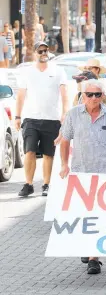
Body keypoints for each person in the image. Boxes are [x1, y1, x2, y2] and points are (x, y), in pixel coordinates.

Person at [59, 79, 106, 275]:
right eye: (89, 94)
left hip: (105, 174)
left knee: (99, 216)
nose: (93, 98)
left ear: (102, 96)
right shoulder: (73, 115)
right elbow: (65, 141)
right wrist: (64, 165)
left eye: (97, 95)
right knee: (83, 215)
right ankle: (86, 245)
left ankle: (94, 258)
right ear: (83, 96)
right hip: (81, 174)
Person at [15, 42, 68, 197]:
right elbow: (20, 96)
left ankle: (46, 184)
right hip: (31, 118)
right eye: (40, 51)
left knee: (48, 154)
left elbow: (64, 95)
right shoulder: (27, 72)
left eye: (46, 50)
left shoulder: (58, 71)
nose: (44, 53)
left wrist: (65, 113)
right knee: (29, 151)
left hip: (52, 118)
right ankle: (28, 184)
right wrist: (17, 116)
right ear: (34, 53)